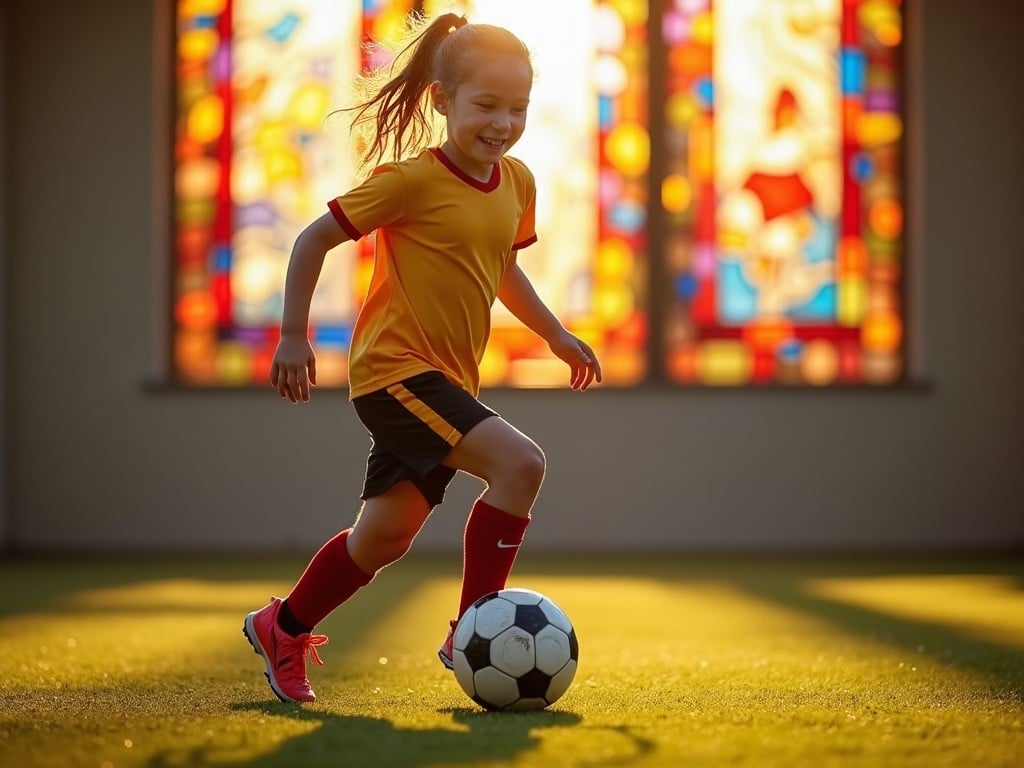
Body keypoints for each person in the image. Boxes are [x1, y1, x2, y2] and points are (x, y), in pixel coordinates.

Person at [242, 11, 602, 704]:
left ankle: (281, 627)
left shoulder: (518, 182)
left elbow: (502, 269)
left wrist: (555, 334)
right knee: (521, 463)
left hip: (444, 381)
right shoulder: (410, 181)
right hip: (396, 374)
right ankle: (473, 627)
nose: (502, 123)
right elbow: (313, 239)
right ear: (443, 100)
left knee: (383, 538)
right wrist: (293, 334)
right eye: (486, 106)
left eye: (518, 108)